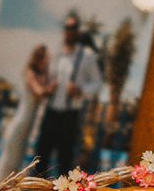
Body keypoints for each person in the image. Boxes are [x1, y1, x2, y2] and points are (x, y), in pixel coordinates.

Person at [33, 14, 103, 177]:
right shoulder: (56, 54)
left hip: (70, 116)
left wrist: (81, 90)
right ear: (63, 30)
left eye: (73, 28)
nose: (70, 31)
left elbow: (97, 84)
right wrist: (48, 88)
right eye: (67, 27)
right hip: (50, 113)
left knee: (64, 162)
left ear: (78, 31)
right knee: (40, 159)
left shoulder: (86, 55)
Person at [0, 44, 52, 190]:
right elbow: (40, 92)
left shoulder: (40, 75)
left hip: (28, 126)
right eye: (44, 58)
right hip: (21, 123)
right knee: (9, 163)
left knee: (16, 163)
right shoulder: (30, 73)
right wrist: (52, 87)